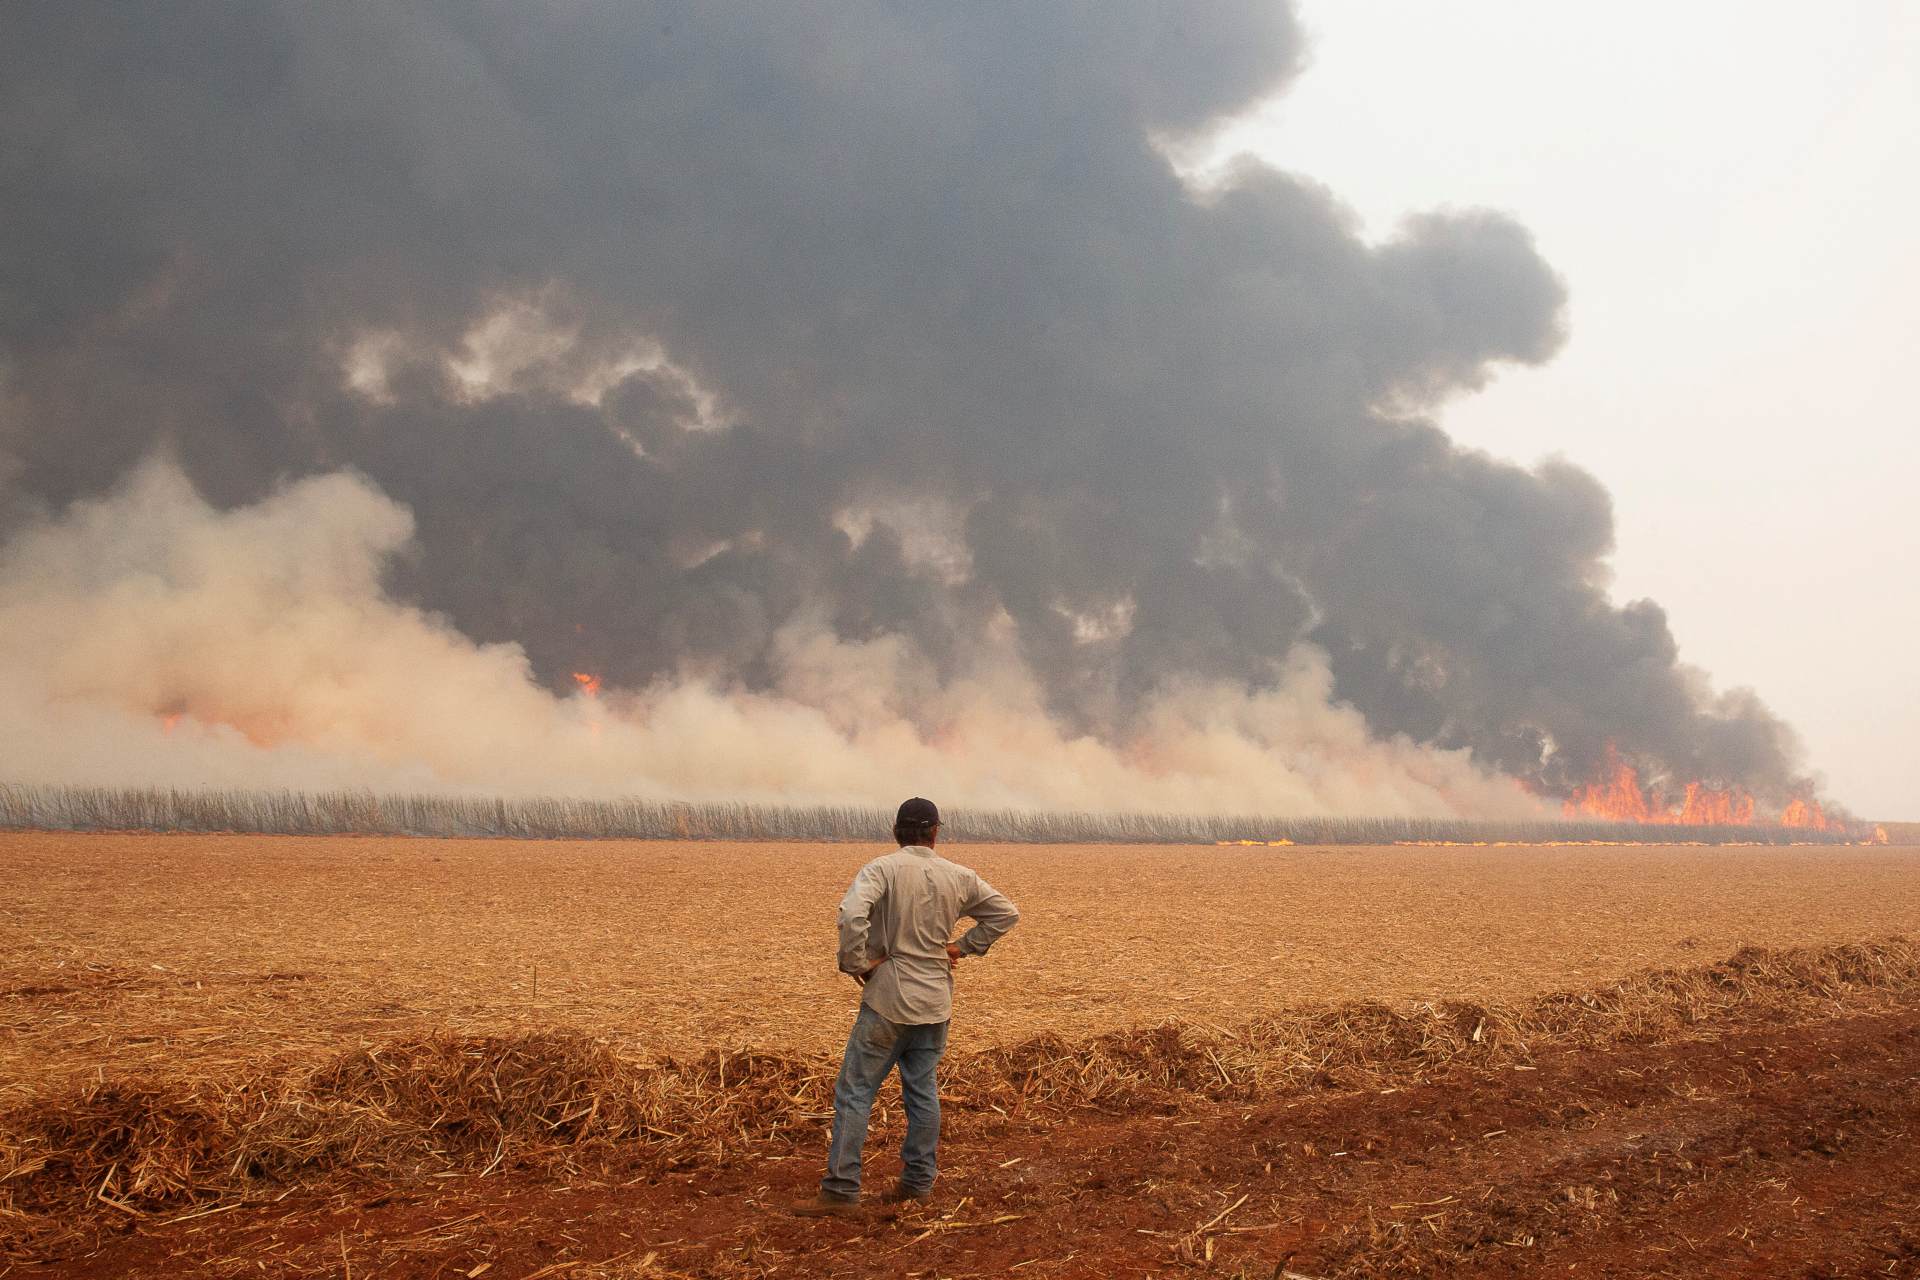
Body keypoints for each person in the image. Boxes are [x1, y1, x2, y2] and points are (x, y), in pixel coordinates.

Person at [794, 796, 1020, 1216]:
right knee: (922, 1092)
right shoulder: (959, 876)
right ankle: (918, 1184)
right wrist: (963, 947)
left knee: (855, 1091)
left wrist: (856, 963)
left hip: (888, 1000)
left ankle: (841, 1190)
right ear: (935, 832)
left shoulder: (882, 869)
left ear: (896, 831)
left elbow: (850, 913)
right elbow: (1005, 913)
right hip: (935, 1001)